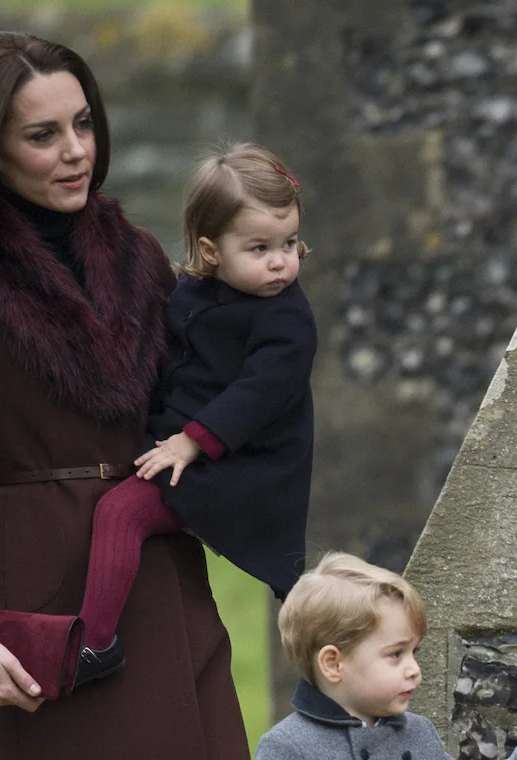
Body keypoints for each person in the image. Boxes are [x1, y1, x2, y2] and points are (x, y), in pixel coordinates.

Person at [0, 32, 249, 758]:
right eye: (43, 135)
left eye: (83, 123)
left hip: (161, 575)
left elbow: (206, 397)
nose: (77, 150)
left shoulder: (139, 257)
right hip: (42, 597)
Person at [72, 143, 318, 678]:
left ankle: (95, 644)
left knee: (122, 513)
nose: (281, 261)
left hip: (242, 469)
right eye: (259, 248)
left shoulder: (288, 320)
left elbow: (258, 393)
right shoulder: (192, 294)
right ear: (210, 252)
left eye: (290, 243)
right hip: (188, 450)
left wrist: (191, 440)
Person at [256, 553, 517, 760]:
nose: (414, 669)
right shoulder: (286, 748)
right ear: (333, 663)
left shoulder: (418, 734)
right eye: (395, 654)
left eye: (413, 652)